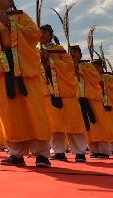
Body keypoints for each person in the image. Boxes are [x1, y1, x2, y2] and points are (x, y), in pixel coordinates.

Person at [0, 0, 52, 168]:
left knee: (33, 111)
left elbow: (34, 35)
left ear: (11, 1)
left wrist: (11, 24)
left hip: (25, 71)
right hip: (3, 72)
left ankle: (42, 154)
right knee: (10, 113)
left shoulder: (21, 16)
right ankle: (16, 154)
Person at [39, 25, 88, 162]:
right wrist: (42, 60)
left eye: (45, 32)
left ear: (51, 34)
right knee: (55, 126)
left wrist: (51, 60)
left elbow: (69, 66)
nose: (42, 34)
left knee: (73, 124)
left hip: (65, 92)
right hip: (48, 93)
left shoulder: (59, 50)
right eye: (40, 32)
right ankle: (59, 151)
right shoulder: (36, 51)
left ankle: (79, 152)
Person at [72, 47, 113, 158]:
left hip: (93, 99)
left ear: (80, 54)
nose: (73, 55)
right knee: (88, 128)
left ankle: (104, 151)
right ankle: (94, 150)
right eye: (71, 53)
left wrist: (80, 69)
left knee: (99, 125)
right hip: (79, 100)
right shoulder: (68, 64)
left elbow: (96, 78)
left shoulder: (87, 66)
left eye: (75, 53)